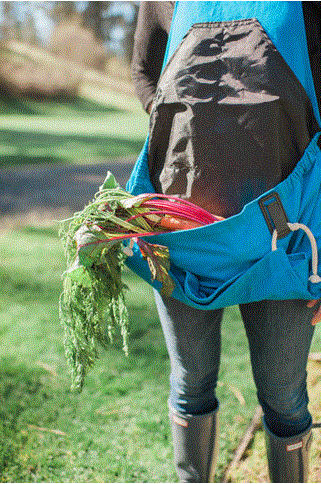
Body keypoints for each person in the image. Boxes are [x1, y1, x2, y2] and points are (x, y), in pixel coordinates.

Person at [130, 2, 321, 482]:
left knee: (283, 396)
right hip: (183, 232)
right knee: (191, 385)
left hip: (285, 231)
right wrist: (186, 130)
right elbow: (145, 70)